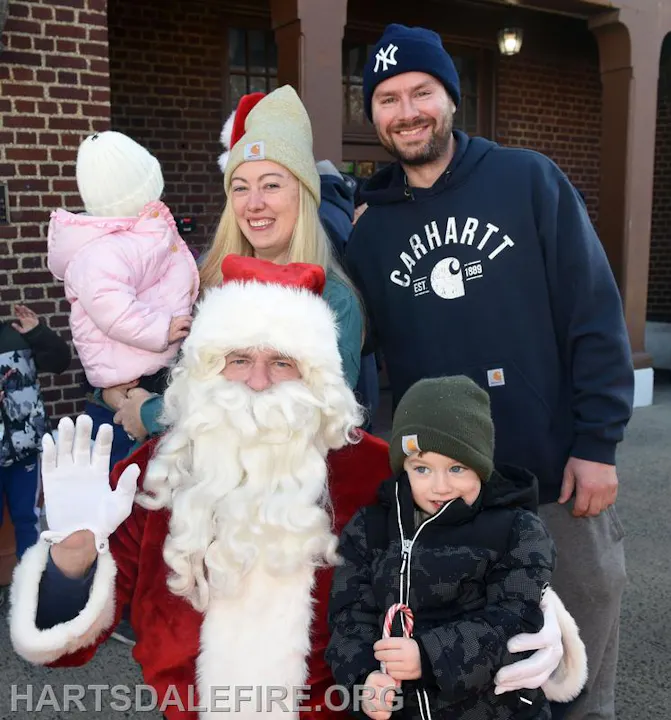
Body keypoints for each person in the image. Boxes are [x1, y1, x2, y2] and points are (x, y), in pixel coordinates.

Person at [11, 257, 580, 720]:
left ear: (317, 378)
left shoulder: (372, 467)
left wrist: (536, 611)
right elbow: (70, 647)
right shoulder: (152, 475)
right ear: (205, 369)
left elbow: (482, 534)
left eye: (281, 362)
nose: (257, 381)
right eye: (238, 359)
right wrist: (71, 560)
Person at [345, 23, 633, 720]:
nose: (406, 111)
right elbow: (356, 349)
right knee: (474, 675)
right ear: (373, 115)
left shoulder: (525, 179)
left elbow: (592, 313)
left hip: (551, 473)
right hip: (444, 498)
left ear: (451, 97)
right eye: (387, 99)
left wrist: (596, 444)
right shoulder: (371, 231)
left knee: (580, 655)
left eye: (420, 92)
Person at [114, 86, 364, 445]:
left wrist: (154, 415)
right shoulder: (204, 278)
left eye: (272, 185)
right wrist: (115, 393)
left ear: (304, 194)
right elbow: (156, 362)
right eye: (241, 188)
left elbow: (316, 420)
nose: (254, 203)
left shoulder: (334, 300)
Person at [327, 376, 587, 720]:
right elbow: (349, 617)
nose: (439, 485)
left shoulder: (517, 531)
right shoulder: (369, 528)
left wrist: (429, 657)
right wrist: (363, 678)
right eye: (421, 468)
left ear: (480, 466)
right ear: (402, 468)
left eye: (457, 468)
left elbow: (514, 617)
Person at [47, 130, 200, 394]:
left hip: (156, 361)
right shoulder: (100, 252)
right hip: (135, 373)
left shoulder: (137, 234)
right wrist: (161, 328)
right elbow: (111, 307)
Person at [0, 305, 70, 564]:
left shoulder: (15, 335)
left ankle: (30, 584)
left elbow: (61, 361)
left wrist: (38, 333)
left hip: (25, 450)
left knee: (27, 518)